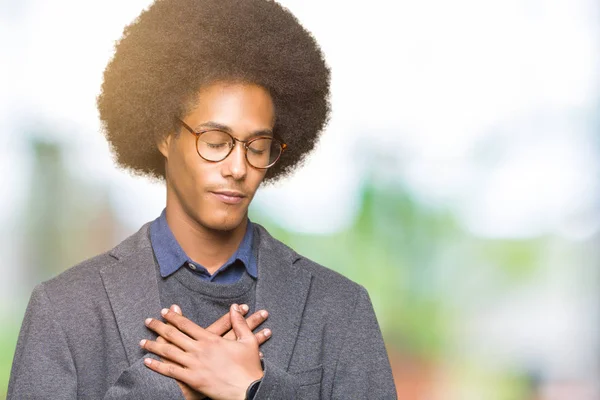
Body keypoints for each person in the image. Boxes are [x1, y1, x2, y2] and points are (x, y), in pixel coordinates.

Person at [7, 0, 397, 398]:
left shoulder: (340, 309)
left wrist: (254, 391)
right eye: (215, 142)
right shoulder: (65, 310)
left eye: (258, 146)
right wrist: (171, 390)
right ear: (163, 135)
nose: (238, 168)